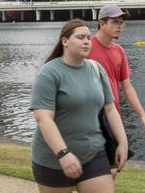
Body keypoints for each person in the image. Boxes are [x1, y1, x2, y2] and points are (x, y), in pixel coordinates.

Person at [29, 19, 128, 192]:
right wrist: (63, 153)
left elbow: (110, 109)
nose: (86, 41)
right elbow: (44, 118)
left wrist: (123, 142)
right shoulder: (49, 72)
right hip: (53, 159)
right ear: (65, 41)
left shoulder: (96, 69)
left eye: (89, 38)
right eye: (80, 37)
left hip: (93, 153)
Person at [87, 4, 145, 137]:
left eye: (121, 23)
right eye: (115, 22)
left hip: (113, 115)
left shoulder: (119, 51)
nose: (119, 26)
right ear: (102, 24)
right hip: (89, 118)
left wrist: (142, 114)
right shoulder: (86, 47)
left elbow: (127, 88)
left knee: (117, 155)